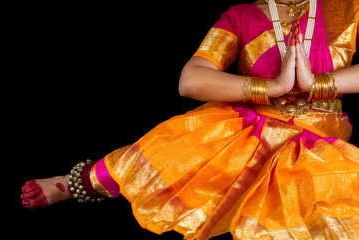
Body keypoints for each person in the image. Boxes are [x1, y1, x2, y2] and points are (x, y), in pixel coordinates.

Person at [21, 0, 359, 239]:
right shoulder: (242, 15)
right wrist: (272, 87)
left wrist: (318, 84)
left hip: (316, 141)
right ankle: (77, 183)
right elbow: (192, 79)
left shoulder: (348, 7)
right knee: (173, 147)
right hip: (244, 132)